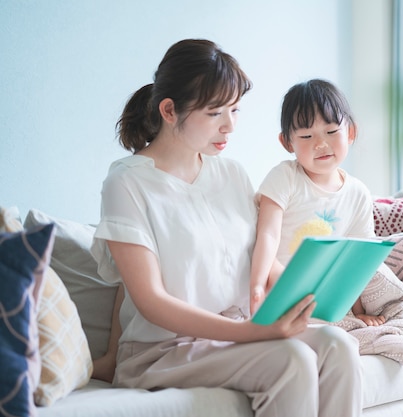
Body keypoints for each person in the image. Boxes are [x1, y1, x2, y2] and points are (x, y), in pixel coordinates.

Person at [90, 39, 362, 417]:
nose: (230, 124)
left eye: (234, 109)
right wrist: (255, 333)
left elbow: (259, 262)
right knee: (290, 360)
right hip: (164, 350)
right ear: (169, 111)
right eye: (216, 111)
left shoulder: (231, 173)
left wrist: (306, 296)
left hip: (233, 335)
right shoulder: (127, 182)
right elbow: (147, 298)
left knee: (339, 346)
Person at [249, 79, 385, 326]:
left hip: (325, 301)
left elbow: (356, 261)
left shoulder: (358, 193)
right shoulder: (285, 177)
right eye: (306, 135)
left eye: (331, 132)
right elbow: (267, 235)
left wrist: (358, 311)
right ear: (287, 143)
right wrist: (257, 285)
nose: (321, 144)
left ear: (350, 132)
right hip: (278, 291)